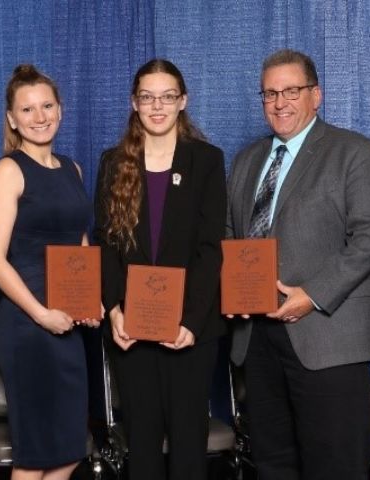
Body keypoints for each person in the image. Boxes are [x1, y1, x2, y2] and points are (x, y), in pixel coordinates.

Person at [226, 49, 370, 479]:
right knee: (273, 463)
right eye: (269, 93)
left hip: (329, 334)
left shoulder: (353, 151)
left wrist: (313, 294)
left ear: (315, 95)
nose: (280, 102)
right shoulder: (247, 161)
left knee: (336, 464)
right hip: (259, 339)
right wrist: (234, 289)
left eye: (291, 91)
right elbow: (232, 237)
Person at [93, 58, 227, 479]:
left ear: (182, 101)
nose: (157, 106)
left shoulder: (206, 160)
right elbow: (105, 244)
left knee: (189, 444)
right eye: (147, 97)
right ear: (134, 103)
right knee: (143, 444)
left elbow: (210, 248)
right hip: (131, 329)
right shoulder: (114, 162)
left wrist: (190, 320)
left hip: (191, 329)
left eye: (167, 97)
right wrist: (114, 309)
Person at [0, 64, 99, 480]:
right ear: (12, 119)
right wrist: (40, 313)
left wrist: (90, 299)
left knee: (68, 450)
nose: (39, 116)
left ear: (60, 109)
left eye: (47, 105)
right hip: (28, 324)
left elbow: (79, 240)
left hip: (68, 321)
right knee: (34, 456)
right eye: (27, 109)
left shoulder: (73, 170)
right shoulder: (8, 171)